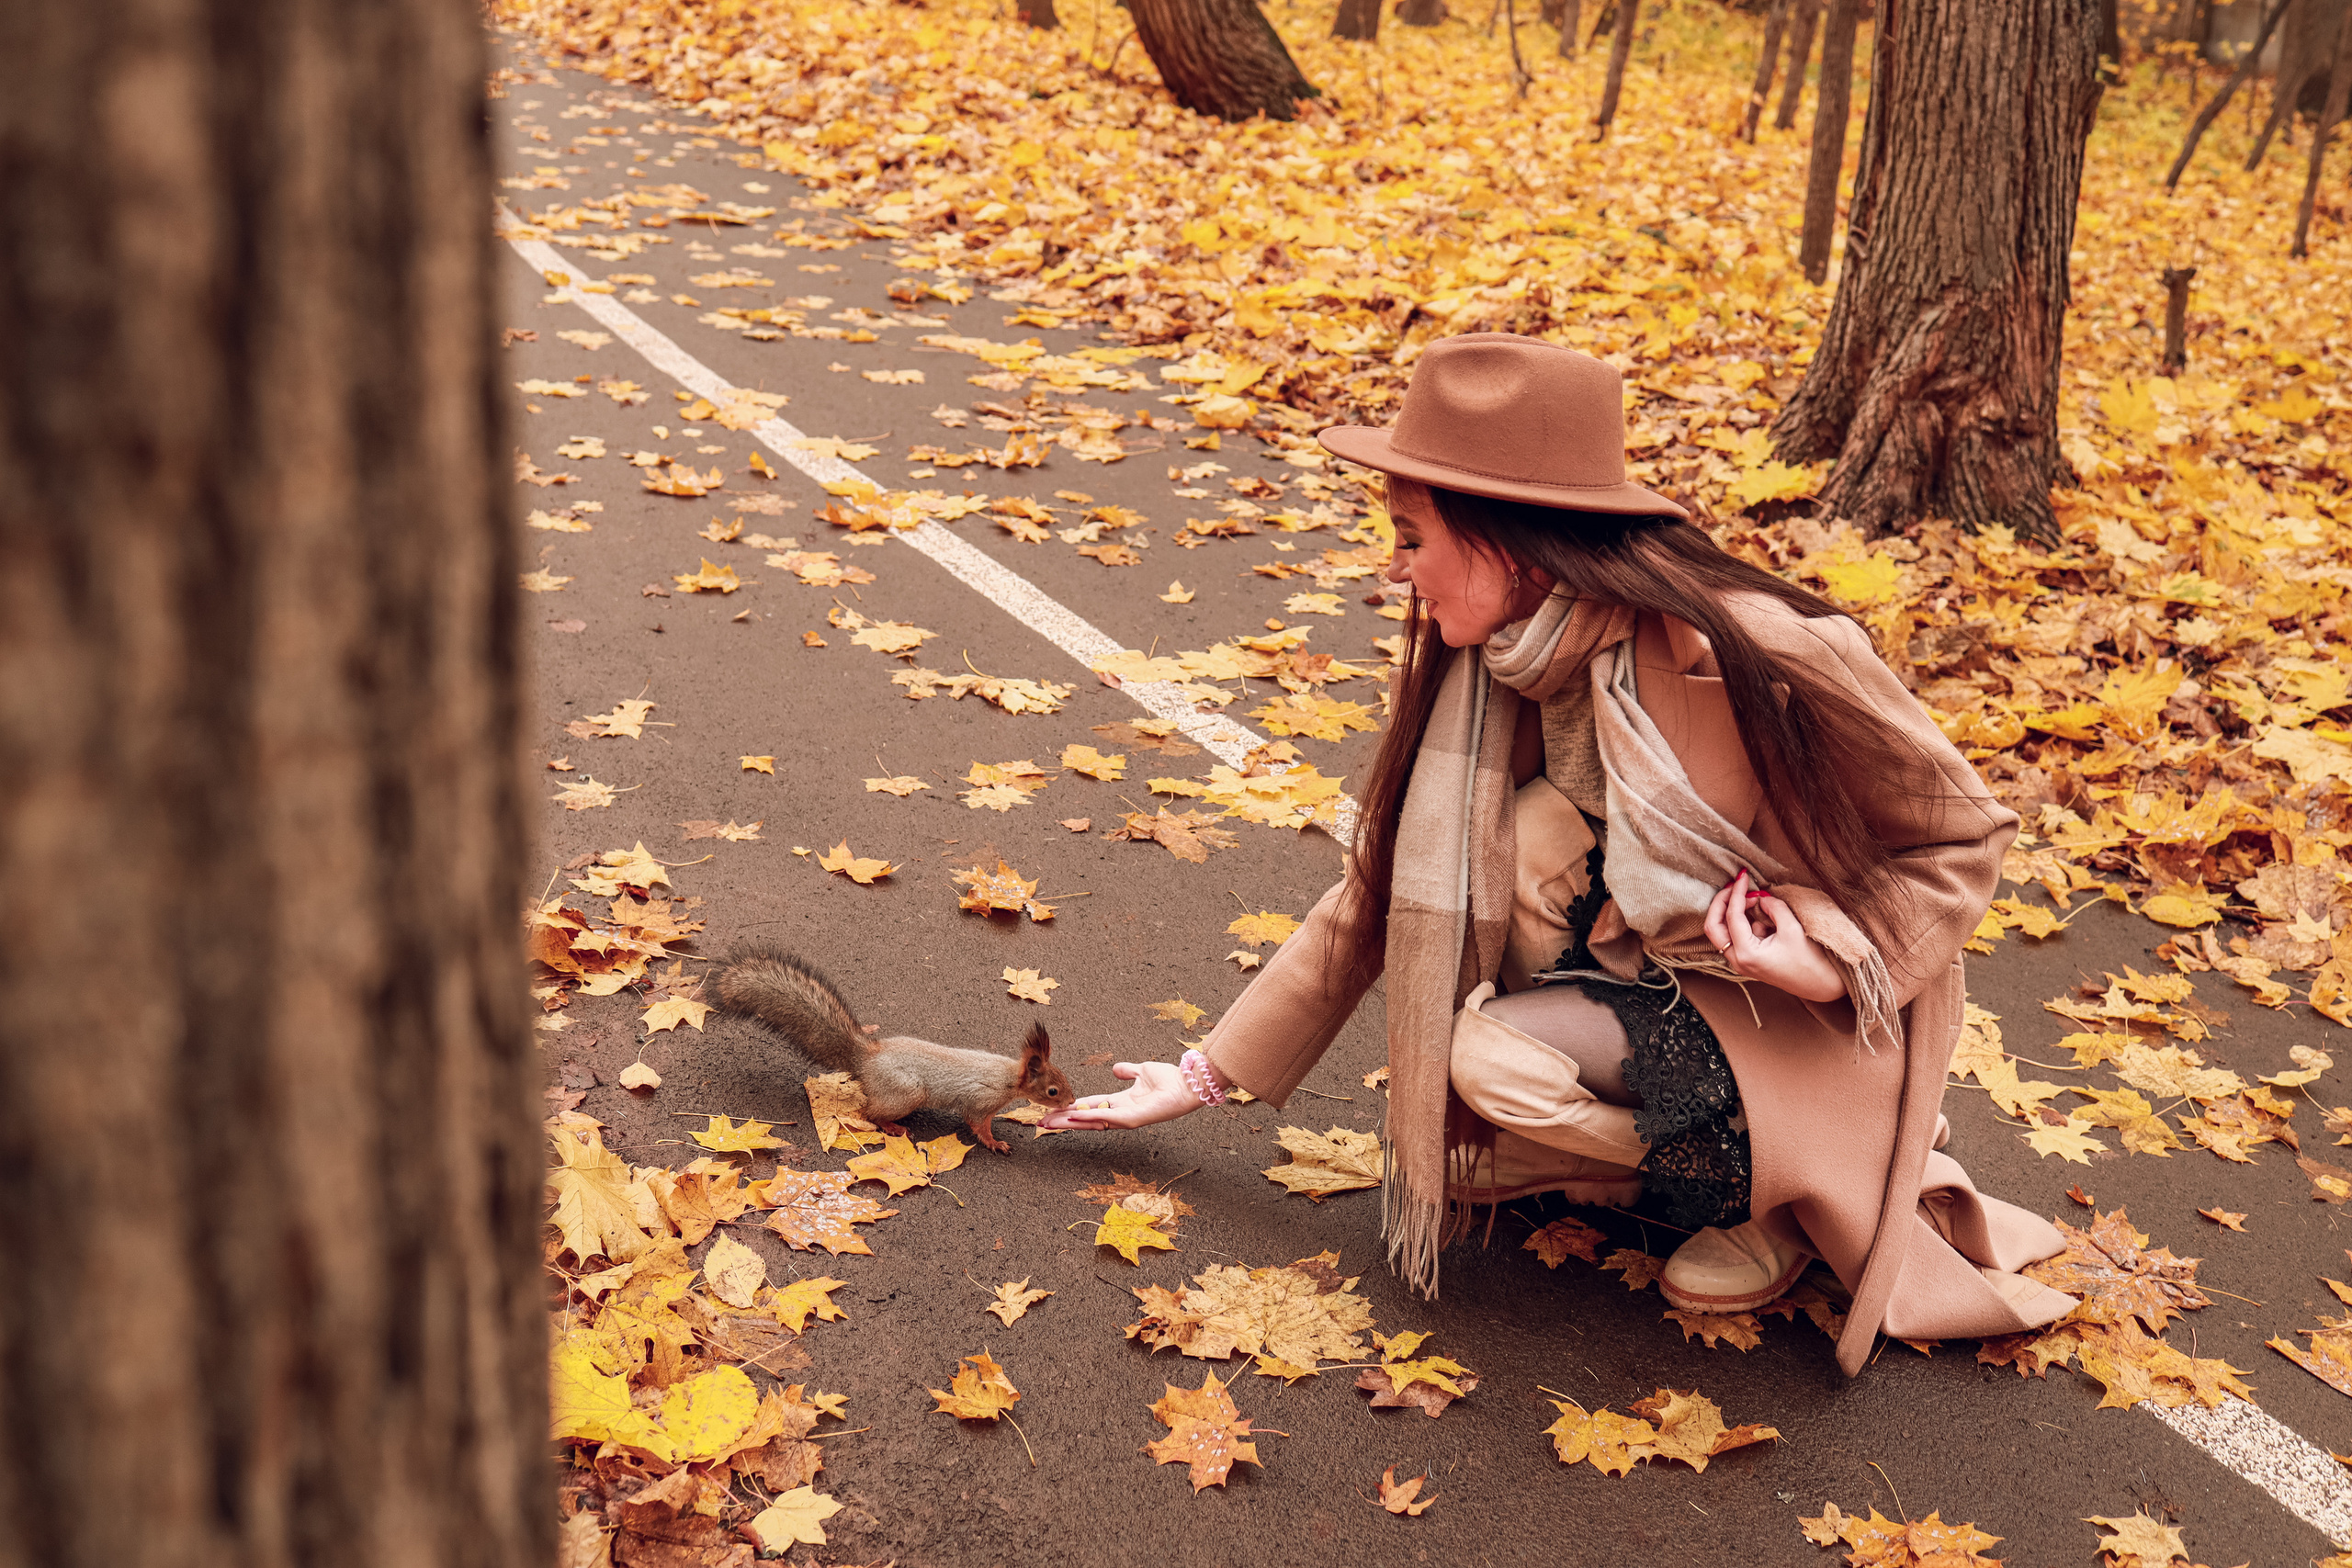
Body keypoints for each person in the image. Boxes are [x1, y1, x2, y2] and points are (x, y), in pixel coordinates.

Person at [1039, 333, 2075, 1375]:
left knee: (1487, 1055)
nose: (1393, 566)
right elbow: (1387, 890)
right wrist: (1199, 1077)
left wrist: (1826, 961)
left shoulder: (1758, 648)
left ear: (1512, 546)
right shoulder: (1509, 661)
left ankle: (1779, 1188)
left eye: (1410, 536)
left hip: (1795, 1004)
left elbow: (1962, 832)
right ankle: (1662, 1164)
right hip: (1653, 976)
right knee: (1514, 857)